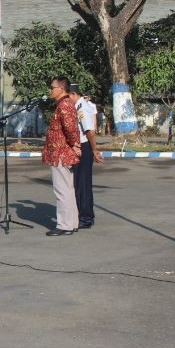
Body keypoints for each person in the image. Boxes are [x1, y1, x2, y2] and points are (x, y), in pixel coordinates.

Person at [42, 77, 81, 236]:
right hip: (62, 153)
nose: (50, 90)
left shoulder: (64, 105)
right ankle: (71, 223)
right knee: (68, 190)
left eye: (52, 87)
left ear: (61, 89)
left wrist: (75, 144)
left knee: (62, 191)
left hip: (61, 154)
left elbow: (70, 129)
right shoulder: (64, 104)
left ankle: (65, 225)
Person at [69, 84, 103, 229]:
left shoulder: (81, 107)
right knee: (80, 183)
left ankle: (86, 218)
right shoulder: (83, 105)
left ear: (73, 94)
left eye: (67, 96)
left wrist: (94, 150)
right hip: (84, 146)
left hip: (85, 147)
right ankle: (85, 215)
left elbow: (90, 131)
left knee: (82, 184)